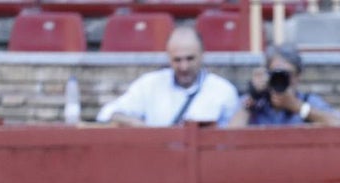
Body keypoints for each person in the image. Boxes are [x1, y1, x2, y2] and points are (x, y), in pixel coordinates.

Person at [97, 26, 240, 128]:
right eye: (177, 60)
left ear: (203, 55)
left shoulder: (223, 91)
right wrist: (139, 126)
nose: (184, 66)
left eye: (190, 59)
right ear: (168, 58)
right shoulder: (149, 85)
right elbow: (107, 114)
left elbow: (234, 137)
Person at [229, 43, 340, 127]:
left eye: (286, 74)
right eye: (275, 73)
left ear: (297, 76)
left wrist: (298, 107)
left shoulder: (308, 101)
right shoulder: (254, 103)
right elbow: (229, 137)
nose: (280, 79)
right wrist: (253, 98)